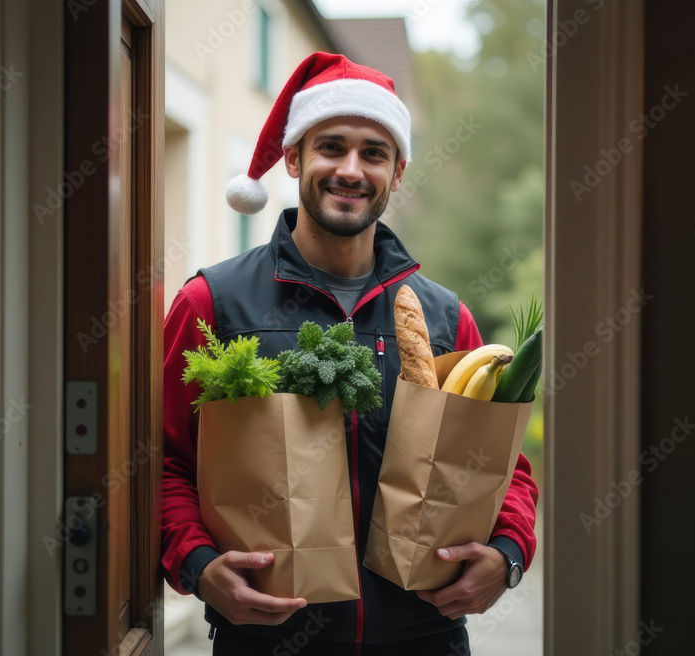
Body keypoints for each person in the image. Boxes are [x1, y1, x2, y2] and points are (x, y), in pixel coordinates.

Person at [162, 52, 538, 656]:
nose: (351, 170)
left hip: (426, 636)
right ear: (293, 157)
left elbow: (502, 467)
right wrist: (197, 562)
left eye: (374, 153)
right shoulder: (213, 302)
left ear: (398, 172)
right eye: (331, 146)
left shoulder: (445, 320)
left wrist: (509, 554)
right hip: (267, 636)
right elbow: (163, 461)